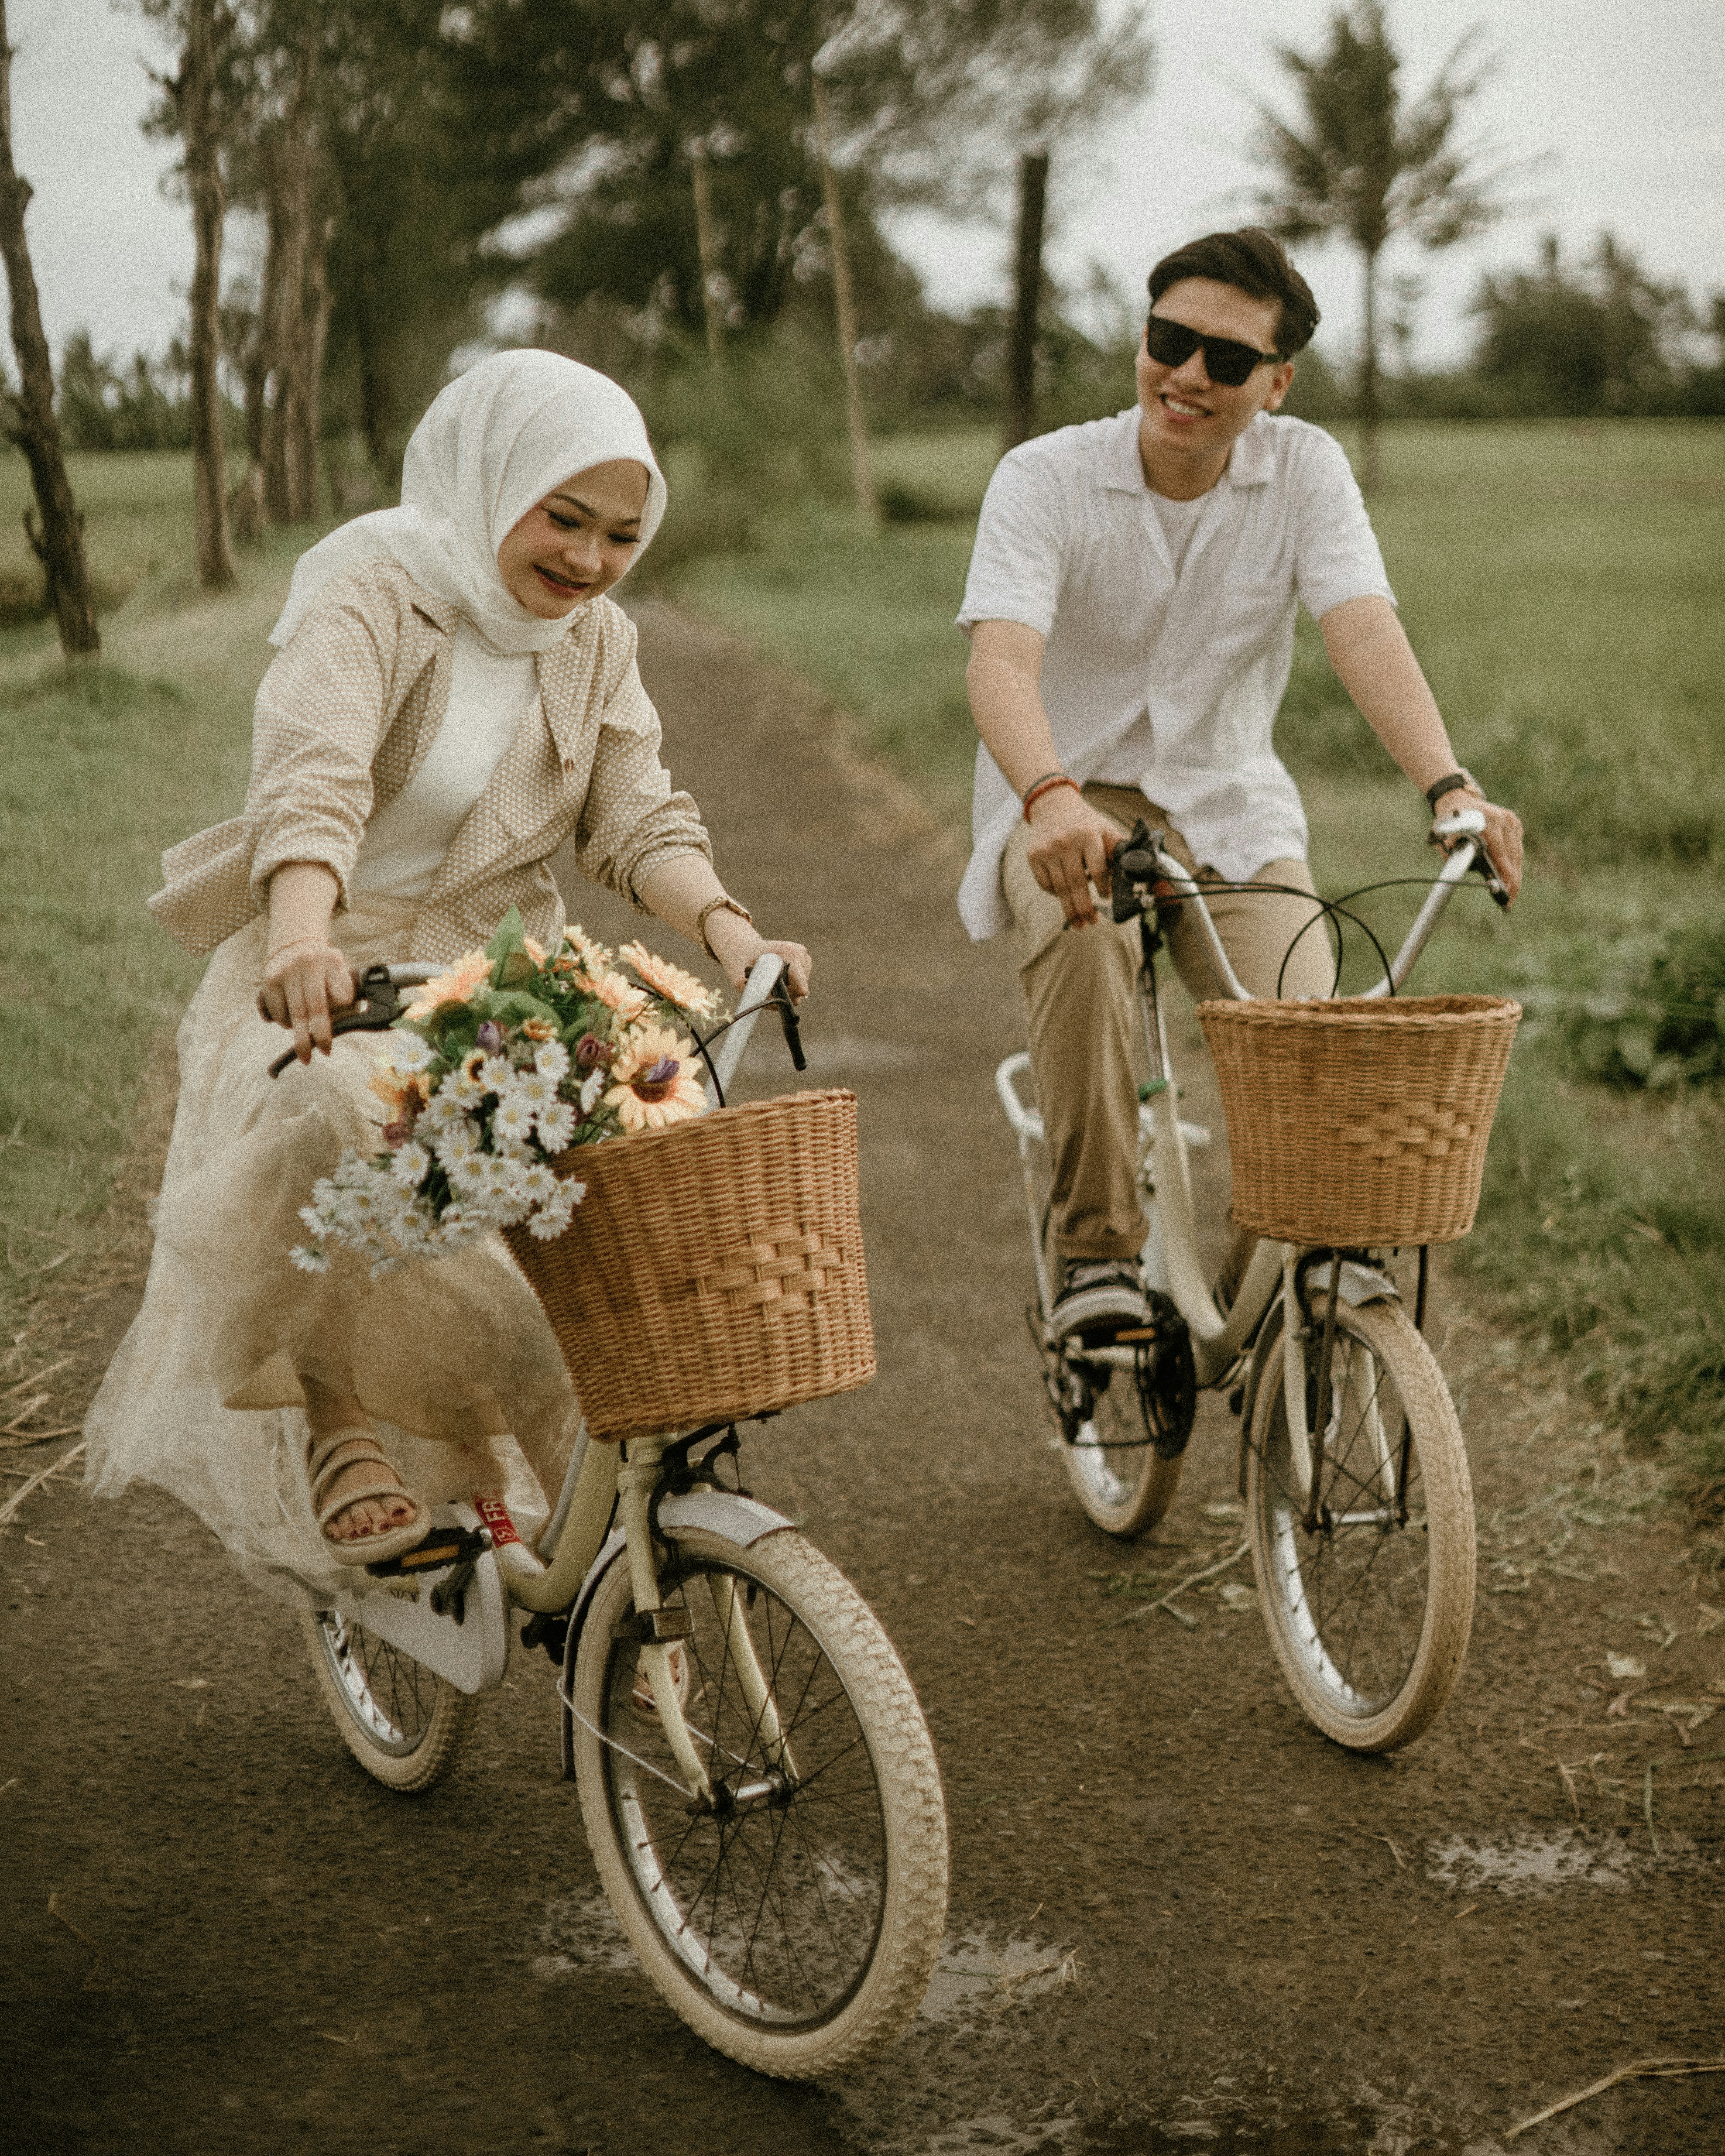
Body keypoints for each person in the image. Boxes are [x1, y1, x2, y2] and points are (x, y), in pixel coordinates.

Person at [86, 348, 809, 1593]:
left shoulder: (595, 640)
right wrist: (303, 936)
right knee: (340, 1115)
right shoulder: (373, 595)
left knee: (620, 1181)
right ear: (492, 483)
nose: (587, 559)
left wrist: (736, 934)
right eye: (563, 519)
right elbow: (308, 784)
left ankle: (623, 1568)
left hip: (498, 972)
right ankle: (340, 1421)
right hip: (329, 961)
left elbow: (637, 816)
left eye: (623, 536)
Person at [958, 227, 1523, 1341]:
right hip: (1068, 801)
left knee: (1304, 1038)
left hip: (1229, 804)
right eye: (1170, 341)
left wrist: (1450, 783)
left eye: (1226, 360)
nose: (1188, 377)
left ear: (1278, 379)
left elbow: (1362, 627)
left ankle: (1261, 1294)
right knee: (1083, 940)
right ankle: (1096, 1256)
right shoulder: (1046, 477)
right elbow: (1000, 661)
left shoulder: (1305, 468)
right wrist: (1051, 798)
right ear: (1145, 338)